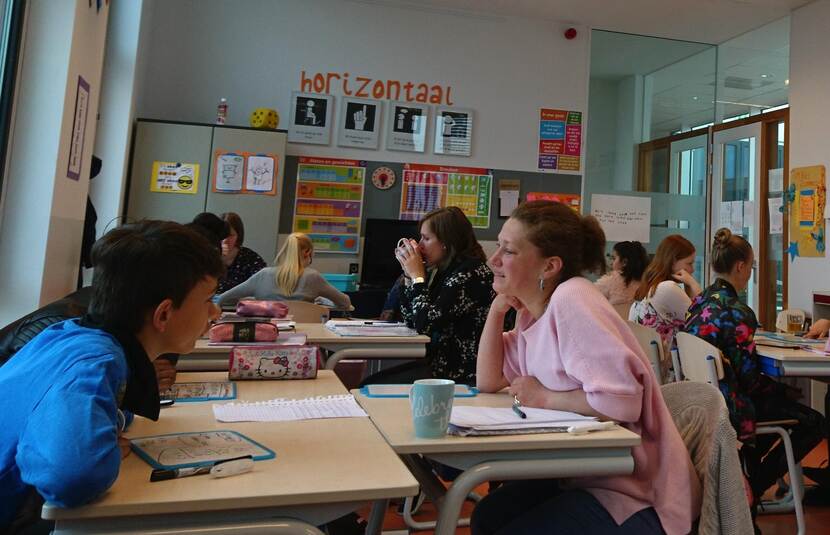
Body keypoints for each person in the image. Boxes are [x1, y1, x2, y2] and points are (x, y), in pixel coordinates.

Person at [473, 201, 700, 534]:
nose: (494, 259)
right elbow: (489, 380)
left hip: (637, 494)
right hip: (583, 474)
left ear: (549, 266)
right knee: (488, 516)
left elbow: (622, 401)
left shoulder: (572, 299)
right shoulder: (533, 313)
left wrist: (545, 397)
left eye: (508, 251)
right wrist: (496, 310)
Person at [0, 220, 223, 533]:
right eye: (208, 300)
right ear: (163, 315)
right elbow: (72, 477)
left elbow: (113, 409)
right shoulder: (95, 361)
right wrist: (100, 453)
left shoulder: (71, 334)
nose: (216, 313)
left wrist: (106, 428)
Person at [683, 228, 825, 508]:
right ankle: (752, 486)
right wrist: (784, 390)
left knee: (781, 401)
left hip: (701, 399)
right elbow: (749, 381)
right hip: (732, 407)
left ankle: (743, 479)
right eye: (751, 266)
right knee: (814, 421)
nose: (750, 273)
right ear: (740, 266)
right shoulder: (738, 311)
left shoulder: (698, 303)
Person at [376, 206, 494, 386]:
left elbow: (425, 324)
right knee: (374, 382)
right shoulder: (446, 271)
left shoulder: (470, 274)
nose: (420, 245)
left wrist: (418, 276)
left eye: (427, 238)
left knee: (374, 384)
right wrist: (409, 276)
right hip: (439, 369)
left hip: (462, 377)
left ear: (446, 242)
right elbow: (412, 320)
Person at [217, 232, 351, 309]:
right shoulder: (313, 277)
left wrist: (254, 301)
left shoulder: (263, 275)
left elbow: (223, 299)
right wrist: (321, 301)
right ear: (307, 252)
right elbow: (345, 303)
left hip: (266, 342)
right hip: (304, 343)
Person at [630, 234, 701, 356]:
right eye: (689, 263)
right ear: (673, 262)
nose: (692, 270)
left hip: (651, 367)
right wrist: (693, 283)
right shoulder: (667, 288)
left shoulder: (650, 288)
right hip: (672, 370)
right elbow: (706, 320)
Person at [217, 212, 266, 294]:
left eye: (230, 235)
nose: (225, 240)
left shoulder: (250, 258)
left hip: (239, 304)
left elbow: (262, 285)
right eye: (221, 234)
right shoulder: (208, 257)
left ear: (238, 236)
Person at [594, 240, 648, 307]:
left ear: (624, 262)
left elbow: (589, 297)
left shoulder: (610, 280)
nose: (611, 262)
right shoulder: (646, 283)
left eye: (614, 258)